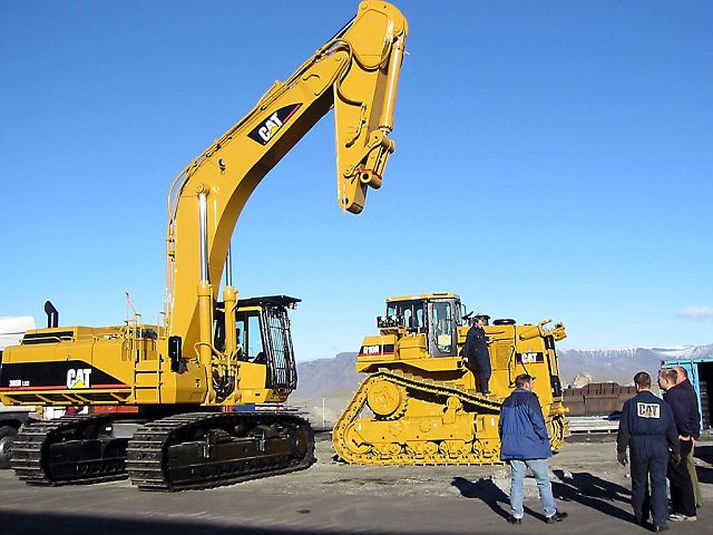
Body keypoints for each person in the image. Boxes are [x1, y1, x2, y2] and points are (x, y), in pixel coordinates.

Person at [499, 373, 567, 525]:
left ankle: (516, 515)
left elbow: (501, 426)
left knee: (516, 482)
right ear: (527, 384)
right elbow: (538, 421)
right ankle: (550, 513)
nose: (533, 385)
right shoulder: (531, 398)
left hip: (514, 448)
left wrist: (506, 442)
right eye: (532, 382)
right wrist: (544, 438)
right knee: (543, 481)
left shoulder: (506, 402)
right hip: (532, 447)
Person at [617, 371, 680, 532]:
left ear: (637, 386)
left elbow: (624, 429)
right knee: (659, 483)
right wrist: (675, 449)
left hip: (639, 446)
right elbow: (671, 429)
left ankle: (641, 516)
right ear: (649, 384)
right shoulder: (663, 405)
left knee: (639, 483)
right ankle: (659, 521)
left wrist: (621, 450)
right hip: (659, 445)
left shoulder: (631, 405)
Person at [658, 368, 697, 522]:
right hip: (677, 439)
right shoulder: (675, 394)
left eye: (659, 378)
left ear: (666, 381)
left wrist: (685, 434)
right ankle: (680, 508)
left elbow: (680, 417)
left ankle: (687, 510)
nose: (657, 381)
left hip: (679, 441)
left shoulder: (674, 396)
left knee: (680, 475)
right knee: (675, 475)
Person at [672, 365, 702, 509]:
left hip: (685, 437)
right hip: (689, 434)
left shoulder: (682, 392)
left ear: (681, 375)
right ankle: (693, 499)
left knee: (686, 469)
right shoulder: (687, 390)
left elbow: (689, 416)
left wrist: (689, 434)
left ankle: (692, 501)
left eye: (674, 373)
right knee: (688, 468)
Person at [463, 315, 492, 394]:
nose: (482, 324)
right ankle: (484, 390)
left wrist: (487, 338)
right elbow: (467, 344)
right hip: (477, 355)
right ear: (475, 323)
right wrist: (465, 356)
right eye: (480, 323)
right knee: (484, 371)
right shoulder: (471, 332)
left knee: (488, 371)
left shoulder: (481, 330)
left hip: (484, 353)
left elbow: (481, 338)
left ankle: (482, 388)